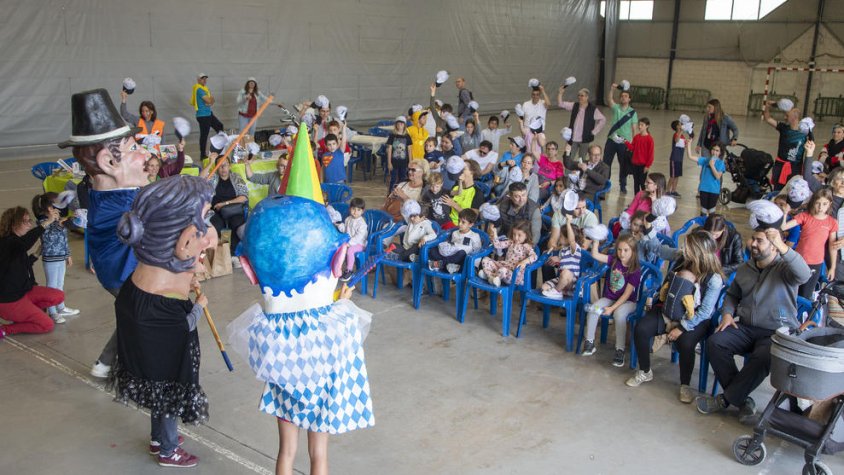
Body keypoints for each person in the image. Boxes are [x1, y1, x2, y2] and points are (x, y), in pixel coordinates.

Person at [236, 173, 374, 474]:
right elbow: (347, 344)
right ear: (337, 259)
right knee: (318, 454)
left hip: (281, 365)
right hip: (320, 376)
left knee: (286, 451)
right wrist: (343, 302)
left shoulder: (267, 318)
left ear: (249, 268)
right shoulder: (337, 321)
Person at [108, 176, 216, 468]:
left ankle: (158, 439)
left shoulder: (137, 284)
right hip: (162, 323)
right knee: (168, 391)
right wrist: (198, 307)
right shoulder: (164, 306)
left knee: (158, 387)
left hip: (143, 309)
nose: (210, 238)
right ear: (183, 240)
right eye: (204, 224)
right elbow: (182, 328)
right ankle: (168, 450)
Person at [60, 88, 152, 378]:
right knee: (150, 314)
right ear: (108, 162)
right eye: (134, 149)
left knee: (134, 315)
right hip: (125, 274)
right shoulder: (122, 205)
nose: (145, 154)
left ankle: (106, 362)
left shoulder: (109, 197)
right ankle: (139, 369)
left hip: (119, 272)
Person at [697, 204, 811, 422]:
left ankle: (727, 399)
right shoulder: (746, 268)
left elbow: (804, 275)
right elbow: (732, 295)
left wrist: (783, 246)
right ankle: (742, 400)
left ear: (775, 246)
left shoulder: (785, 269)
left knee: (765, 355)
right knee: (716, 342)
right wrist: (728, 314)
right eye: (753, 239)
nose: (753, 244)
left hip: (776, 332)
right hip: (746, 327)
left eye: (760, 241)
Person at [627, 230, 725, 403]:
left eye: (688, 246)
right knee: (641, 329)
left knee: (685, 343)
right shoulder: (682, 259)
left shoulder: (713, 279)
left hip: (693, 319)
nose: (683, 248)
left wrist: (682, 328)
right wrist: (648, 231)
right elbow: (659, 249)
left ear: (698, 251)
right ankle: (645, 370)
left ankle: (685, 385)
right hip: (668, 310)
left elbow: (705, 312)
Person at [0, 206, 63, 337]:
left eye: (30, 221)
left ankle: (28, 312)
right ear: (13, 224)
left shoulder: (15, 243)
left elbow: (19, 265)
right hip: (10, 300)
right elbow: (24, 244)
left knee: (58, 296)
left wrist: (36, 254)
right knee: (47, 325)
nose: (29, 225)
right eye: (25, 221)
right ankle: (6, 329)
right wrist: (47, 223)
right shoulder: (6, 243)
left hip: (24, 291)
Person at [582, 234, 642, 367]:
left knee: (619, 315)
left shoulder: (634, 270)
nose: (622, 253)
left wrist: (612, 308)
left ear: (633, 251)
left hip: (628, 302)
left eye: (626, 250)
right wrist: (596, 239)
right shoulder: (614, 260)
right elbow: (595, 255)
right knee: (593, 309)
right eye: (619, 250)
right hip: (610, 299)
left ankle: (620, 349)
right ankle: (590, 342)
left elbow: (627, 294)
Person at [782, 188, 838, 299]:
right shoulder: (804, 216)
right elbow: (783, 227)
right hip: (798, 260)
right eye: (818, 203)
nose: (821, 207)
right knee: (790, 292)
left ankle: (803, 316)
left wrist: (832, 267)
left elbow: (833, 246)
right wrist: (785, 213)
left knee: (806, 295)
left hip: (815, 263)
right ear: (813, 203)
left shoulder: (832, 222)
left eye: (824, 204)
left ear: (829, 204)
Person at [32, 193, 79, 324]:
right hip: (51, 259)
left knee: (60, 284)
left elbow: (64, 239)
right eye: (56, 205)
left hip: (60, 257)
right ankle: (52, 312)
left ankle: (61, 307)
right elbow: (50, 236)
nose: (59, 208)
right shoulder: (42, 222)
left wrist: (67, 254)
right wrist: (61, 223)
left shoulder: (58, 219)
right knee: (52, 286)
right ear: (49, 208)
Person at [201, 155, 249, 266]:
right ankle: (219, 255)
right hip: (215, 211)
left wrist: (225, 204)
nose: (223, 168)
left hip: (233, 209)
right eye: (220, 166)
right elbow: (200, 178)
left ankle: (234, 254)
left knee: (237, 224)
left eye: (225, 165)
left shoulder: (236, 177)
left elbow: (244, 196)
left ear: (230, 166)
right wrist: (210, 164)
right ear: (217, 167)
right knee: (215, 226)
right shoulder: (213, 177)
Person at [764, 101, 812, 190]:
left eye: (787, 115)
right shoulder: (783, 128)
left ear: (795, 116)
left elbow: (811, 147)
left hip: (795, 167)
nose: (785, 117)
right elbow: (768, 119)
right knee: (778, 189)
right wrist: (767, 107)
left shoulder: (805, 132)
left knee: (792, 188)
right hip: (781, 165)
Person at [479, 221, 537, 287]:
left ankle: (491, 277)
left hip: (514, 275)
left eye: (519, 235)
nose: (516, 237)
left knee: (502, 270)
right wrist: (495, 234)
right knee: (486, 260)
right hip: (505, 266)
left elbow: (534, 256)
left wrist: (524, 262)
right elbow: (497, 245)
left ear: (526, 236)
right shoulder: (511, 242)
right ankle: (491, 277)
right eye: (514, 234)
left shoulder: (526, 246)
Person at [604, 83, 638, 192]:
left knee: (623, 164)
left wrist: (634, 144)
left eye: (626, 96)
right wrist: (612, 89)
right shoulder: (616, 108)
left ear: (629, 99)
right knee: (606, 163)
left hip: (624, 142)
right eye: (622, 96)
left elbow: (634, 128)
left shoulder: (632, 112)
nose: (623, 98)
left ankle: (623, 185)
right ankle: (606, 183)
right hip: (611, 140)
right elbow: (609, 100)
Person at [557, 86, 606, 160]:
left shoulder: (593, 109)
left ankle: (581, 172)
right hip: (572, 138)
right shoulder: (574, 105)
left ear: (587, 97)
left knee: (582, 159)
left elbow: (603, 119)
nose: (580, 97)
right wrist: (560, 93)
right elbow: (561, 104)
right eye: (579, 95)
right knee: (568, 158)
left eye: (582, 96)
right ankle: (568, 172)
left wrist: (594, 131)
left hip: (585, 139)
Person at [428, 209, 482, 274]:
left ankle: (440, 264)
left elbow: (478, 252)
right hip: (451, 257)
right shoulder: (455, 233)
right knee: (433, 250)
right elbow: (452, 247)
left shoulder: (474, 236)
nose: (459, 224)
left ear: (470, 224)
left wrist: (475, 267)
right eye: (459, 221)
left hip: (462, 260)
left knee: (462, 253)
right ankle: (448, 266)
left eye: (463, 222)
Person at [540, 219, 584, 300]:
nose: (559, 238)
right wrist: (556, 262)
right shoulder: (563, 250)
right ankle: (562, 292)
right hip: (561, 280)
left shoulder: (575, 248)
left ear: (567, 239)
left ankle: (557, 291)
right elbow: (563, 264)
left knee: (566, 273)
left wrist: (568, 223)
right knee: (544, 288)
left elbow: (572, 240)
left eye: (561, 236)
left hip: (571, 281)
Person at [496, 182, 542, 246]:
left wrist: (527, 248)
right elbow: (497, 225)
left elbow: (535, 234)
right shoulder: (503, 206)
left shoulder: (534, 209)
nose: (521, 199)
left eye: (523, 195)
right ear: (510, 196)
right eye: (517, 196)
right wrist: (494, 234)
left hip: (523, 242)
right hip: (506, 238)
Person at [687, 141, 726, 216]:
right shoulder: (705, 160)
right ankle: (703, 226)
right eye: (713, 149)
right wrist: (689, 144)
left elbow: (717, 176)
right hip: (704, 189)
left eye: (717, 150)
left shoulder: (721, 163)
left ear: (720, 152)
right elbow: (690, 156)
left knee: (711, 211)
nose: (714, 152)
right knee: (703, 210)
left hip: (714, 190)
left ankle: (711, 226)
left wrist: (712, 165)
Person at [191, 74, 224, 160]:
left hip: (208, 114)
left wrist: (210, 100)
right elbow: (210, 100)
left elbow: (211, 101)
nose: (204, 80)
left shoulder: (205, 89)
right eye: (202, 79)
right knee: (204, 135)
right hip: (203, 116)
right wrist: (211, 99)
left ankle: (219, 147)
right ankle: (203, 155)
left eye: (205, 79)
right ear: (198, 80)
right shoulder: (199, 89)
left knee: (219, 126)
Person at [443, 159, 485, 227]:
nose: (460, 171)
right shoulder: (456, 187)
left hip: (461, 227)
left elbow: (471, 218)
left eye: (463, 169)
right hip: (447, 221)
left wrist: (454, 205)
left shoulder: (477, 193)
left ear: (472, 172)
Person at [338, 197, 368, 281]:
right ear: (350, 209)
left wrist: (349, 243)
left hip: (360, 244)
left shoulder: (362, 223)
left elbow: (359, 237)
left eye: (358, 210)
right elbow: (346, 231)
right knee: (339, 247)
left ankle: (349, 271)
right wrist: (340, 226)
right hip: (350, 242)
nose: (355, 212)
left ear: (362, 211)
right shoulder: (348, 219)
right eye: (353, 209)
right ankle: (338, 267)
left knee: (350, 250)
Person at [624, 118, 655, 194]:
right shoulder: (636, 137)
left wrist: (647, 166)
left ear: (647, 126)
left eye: (642, 125)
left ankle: (644, 200)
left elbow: (651, 154)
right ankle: (636, 200)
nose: (639, 127)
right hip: (635, 164)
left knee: (643, 184)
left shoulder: (649, 139)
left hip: (643, 166)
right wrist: (625, 142)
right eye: (639, 125)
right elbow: (632, 148)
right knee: (636, 184)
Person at [386, 116, 413, 192]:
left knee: (402, 179)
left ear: (404, 125)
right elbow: (389, 149)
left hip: (404, 163)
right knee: (393, 179)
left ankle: (400, 193)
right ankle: (390, 193)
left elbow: (409, 150)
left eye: (402, 123)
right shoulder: (392, 136)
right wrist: (389, 163)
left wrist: (410, 162)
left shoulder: (407, 136)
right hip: (394, 163)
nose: (400, 125)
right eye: (398, 123)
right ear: (396, 125)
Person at [666, 120, 687, 197]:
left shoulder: (682, 136)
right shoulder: (676, 134)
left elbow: (684, 145)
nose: (681, 125)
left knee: (677, 175)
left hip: (680, 159)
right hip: (674, 159)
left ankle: (674, 190)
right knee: (673, 176)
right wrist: (681, 131)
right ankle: (667, 191)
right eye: (680, 124)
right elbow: (676, 140)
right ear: (677, 127)